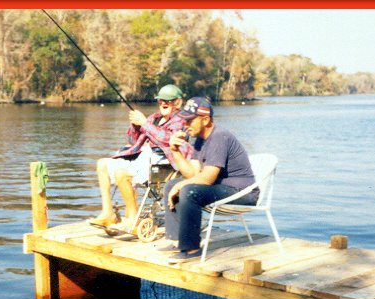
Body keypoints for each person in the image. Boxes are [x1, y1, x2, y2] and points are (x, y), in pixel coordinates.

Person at [162, 97, 259, 264]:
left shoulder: (219, 137)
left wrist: (180, 185)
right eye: (184, 120)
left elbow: (207, 178)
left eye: (190, 121)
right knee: (172, 184)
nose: (185, 125)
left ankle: (191, 249)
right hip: (222, 188)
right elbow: (192, 174)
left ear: (205, 119)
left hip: (243, 192)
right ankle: (178, 241)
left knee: (188, 191)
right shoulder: (200, 139)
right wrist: (174, 151)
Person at [88, 84, 192, 232]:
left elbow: (167, 140)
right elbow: (132, 140)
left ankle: (133, 218)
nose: (163, 103)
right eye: (161, 100)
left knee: (121, 173)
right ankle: (108, 213)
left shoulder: (181, 119)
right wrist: (135, 126)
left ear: (178, 102)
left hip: (163, 162)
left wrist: (144, 123)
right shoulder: (154, 118)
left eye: (168, 100)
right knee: (102, 164)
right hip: (144, 156)